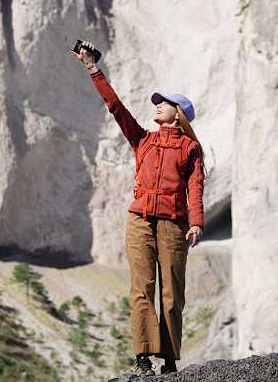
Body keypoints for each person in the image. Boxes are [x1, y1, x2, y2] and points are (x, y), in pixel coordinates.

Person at [73, 40, 206, 376]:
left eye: (166, 103)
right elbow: (115, 106)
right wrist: (92, 67)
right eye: (158, 102)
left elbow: (195, 186)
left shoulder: (190, 149)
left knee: (172, 292)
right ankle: (144, 357)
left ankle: (170, 358)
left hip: (174, 225)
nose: (158, 105)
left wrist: (197, 222)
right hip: (140, 221)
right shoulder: (142, 139)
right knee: (141, 287)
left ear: (180, 114)